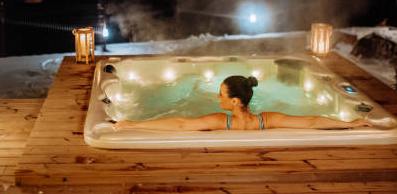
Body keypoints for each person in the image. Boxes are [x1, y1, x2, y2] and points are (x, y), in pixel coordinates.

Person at [114, 75, 372, 131]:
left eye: (221, 94)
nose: (218, 98)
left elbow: (181, 124)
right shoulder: (267, 120)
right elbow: (313, 120)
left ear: (234, 101)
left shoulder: (221, 121)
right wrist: (350, 123)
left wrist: (133, 124)